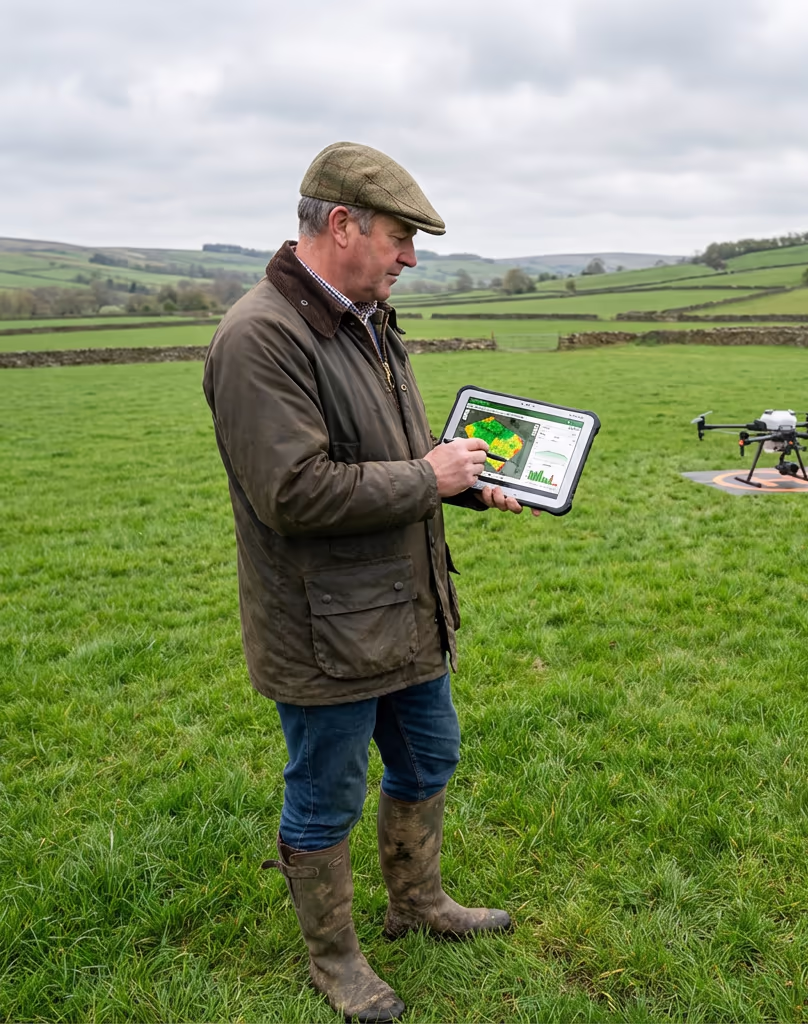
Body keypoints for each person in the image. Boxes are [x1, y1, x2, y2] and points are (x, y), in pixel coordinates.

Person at [203, 142, 534, 1022]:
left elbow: (398, 461)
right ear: (342, 223)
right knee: (326, 795)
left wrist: (465, 483)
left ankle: (416, 902)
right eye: (401, 237)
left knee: (431, 757)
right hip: (324, 630)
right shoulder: (260, 337)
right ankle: (335, 958)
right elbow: (294, 492)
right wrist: (432, 477)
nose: (411, 258)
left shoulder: (364, 317)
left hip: (405, 609)